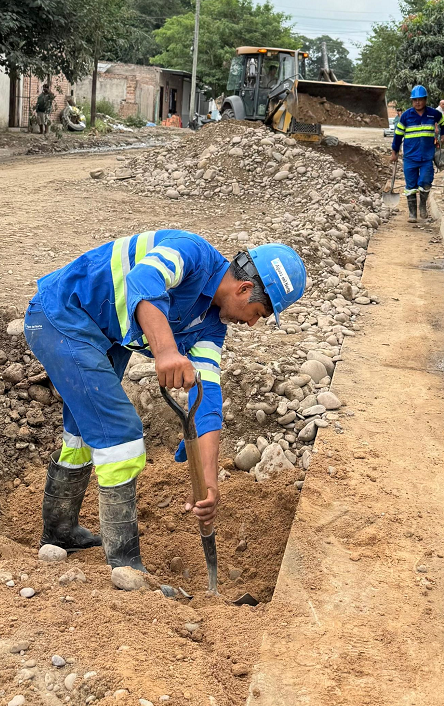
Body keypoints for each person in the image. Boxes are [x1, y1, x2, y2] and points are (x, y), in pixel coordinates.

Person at [24, 232, 306, 574]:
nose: (251, 322)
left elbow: (207, 399)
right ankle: (125, 566)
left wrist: (209, 482)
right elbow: (143, 281)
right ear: (244, 289)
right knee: (120, 435)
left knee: (84, 432)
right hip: (61, 316)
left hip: (100, 334)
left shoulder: (211, 326)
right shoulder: (190, 253)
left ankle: (60, 531)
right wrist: (167, 351)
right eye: (257, 313)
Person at [392, 85, 443, 222]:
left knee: (426, 181)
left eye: (420, 100)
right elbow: (398, 135)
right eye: (415, 100)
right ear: (412, 101)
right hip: (410, 156)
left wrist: (443, 135)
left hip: (427, 156)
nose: (417, 102)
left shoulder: (433, 114)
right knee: (411, 185)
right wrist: (394, 151)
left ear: (425, 100)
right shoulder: (406, 116)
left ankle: (422, 205)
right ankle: (413, 213)